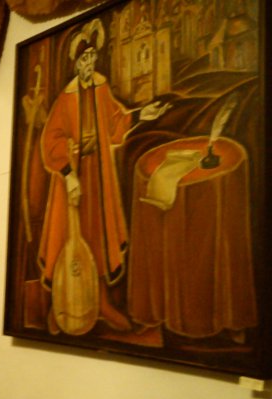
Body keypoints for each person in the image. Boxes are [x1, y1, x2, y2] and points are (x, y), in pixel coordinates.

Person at [37, 18, 169, 333]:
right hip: (72, 177)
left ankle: (102, 303)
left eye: (92, 57)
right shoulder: (65, 98)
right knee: (65, 235)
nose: (89, 64)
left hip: (98, 175)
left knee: (98, 234)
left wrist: (141, 114)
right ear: (75, 62)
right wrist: (68, 173)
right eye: (84, 59)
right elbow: (49, 142)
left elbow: (114, 123)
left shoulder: (101, 87)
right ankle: (60, 302)